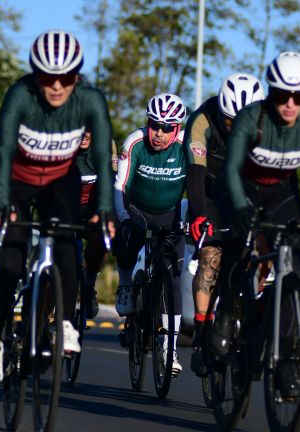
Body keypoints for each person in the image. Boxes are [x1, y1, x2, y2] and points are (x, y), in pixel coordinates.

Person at [210, 52, 300, 398]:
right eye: (282, 95)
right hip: (241, 188)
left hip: (281, 195)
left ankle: (289, 357)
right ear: (271, 93)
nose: (290, 104)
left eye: (299, 97)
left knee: (289, 272)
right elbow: (230, 170)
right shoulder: (252, 118)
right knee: (239, 247)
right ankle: (228, 311)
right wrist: (241, 209)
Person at [0, 30, 115, 383]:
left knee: (68, 247)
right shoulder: (20, 96)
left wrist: (104, 208)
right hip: (17, 183)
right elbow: (4, 153)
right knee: (9, 264)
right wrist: (0, 204)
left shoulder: (90, 100)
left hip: (59, 182)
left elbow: (101, 157)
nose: (56, 86)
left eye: (65, 78)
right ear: (34, 75)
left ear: (78, 76)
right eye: (47, 77)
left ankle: (66, 323)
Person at [183, 73, 265, 377]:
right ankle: (202, 335)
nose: (233, 128)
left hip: (244, 193)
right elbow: (194, 173)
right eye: (229, 121)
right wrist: (199, 215)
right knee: (210, 260)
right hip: (211, 192)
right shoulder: (202, 120)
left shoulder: (264, 124)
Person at [114, 93, 187, 375]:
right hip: (137, 209)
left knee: (174, 278)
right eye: (154, 125)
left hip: (170, 214)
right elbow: (119, 185)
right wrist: (123, 219)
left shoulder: (184, 147)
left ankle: (171, 349)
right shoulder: (134, 142)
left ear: (177, 128)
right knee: (126, 237)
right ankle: (125, 285)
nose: (159, 133)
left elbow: (195, 187)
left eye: (167, 128)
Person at [76, 128, 118, 319]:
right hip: (66, 205)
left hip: (94, 206)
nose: (85, 134)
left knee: (103, 237)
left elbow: (110, 182)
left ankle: (89, 283)